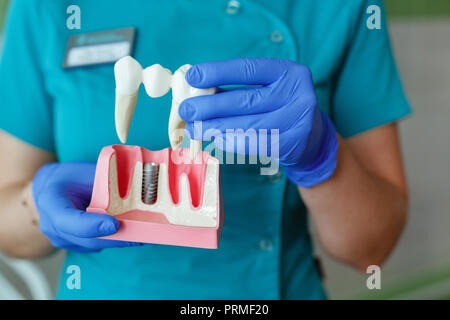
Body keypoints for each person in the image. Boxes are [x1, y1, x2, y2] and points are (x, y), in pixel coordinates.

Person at [0, 0, 411, 299]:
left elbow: (371, 251)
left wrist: (322, 156)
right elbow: (8, 227)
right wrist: (36, 206)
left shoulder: (337, 8)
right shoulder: (45, 8)